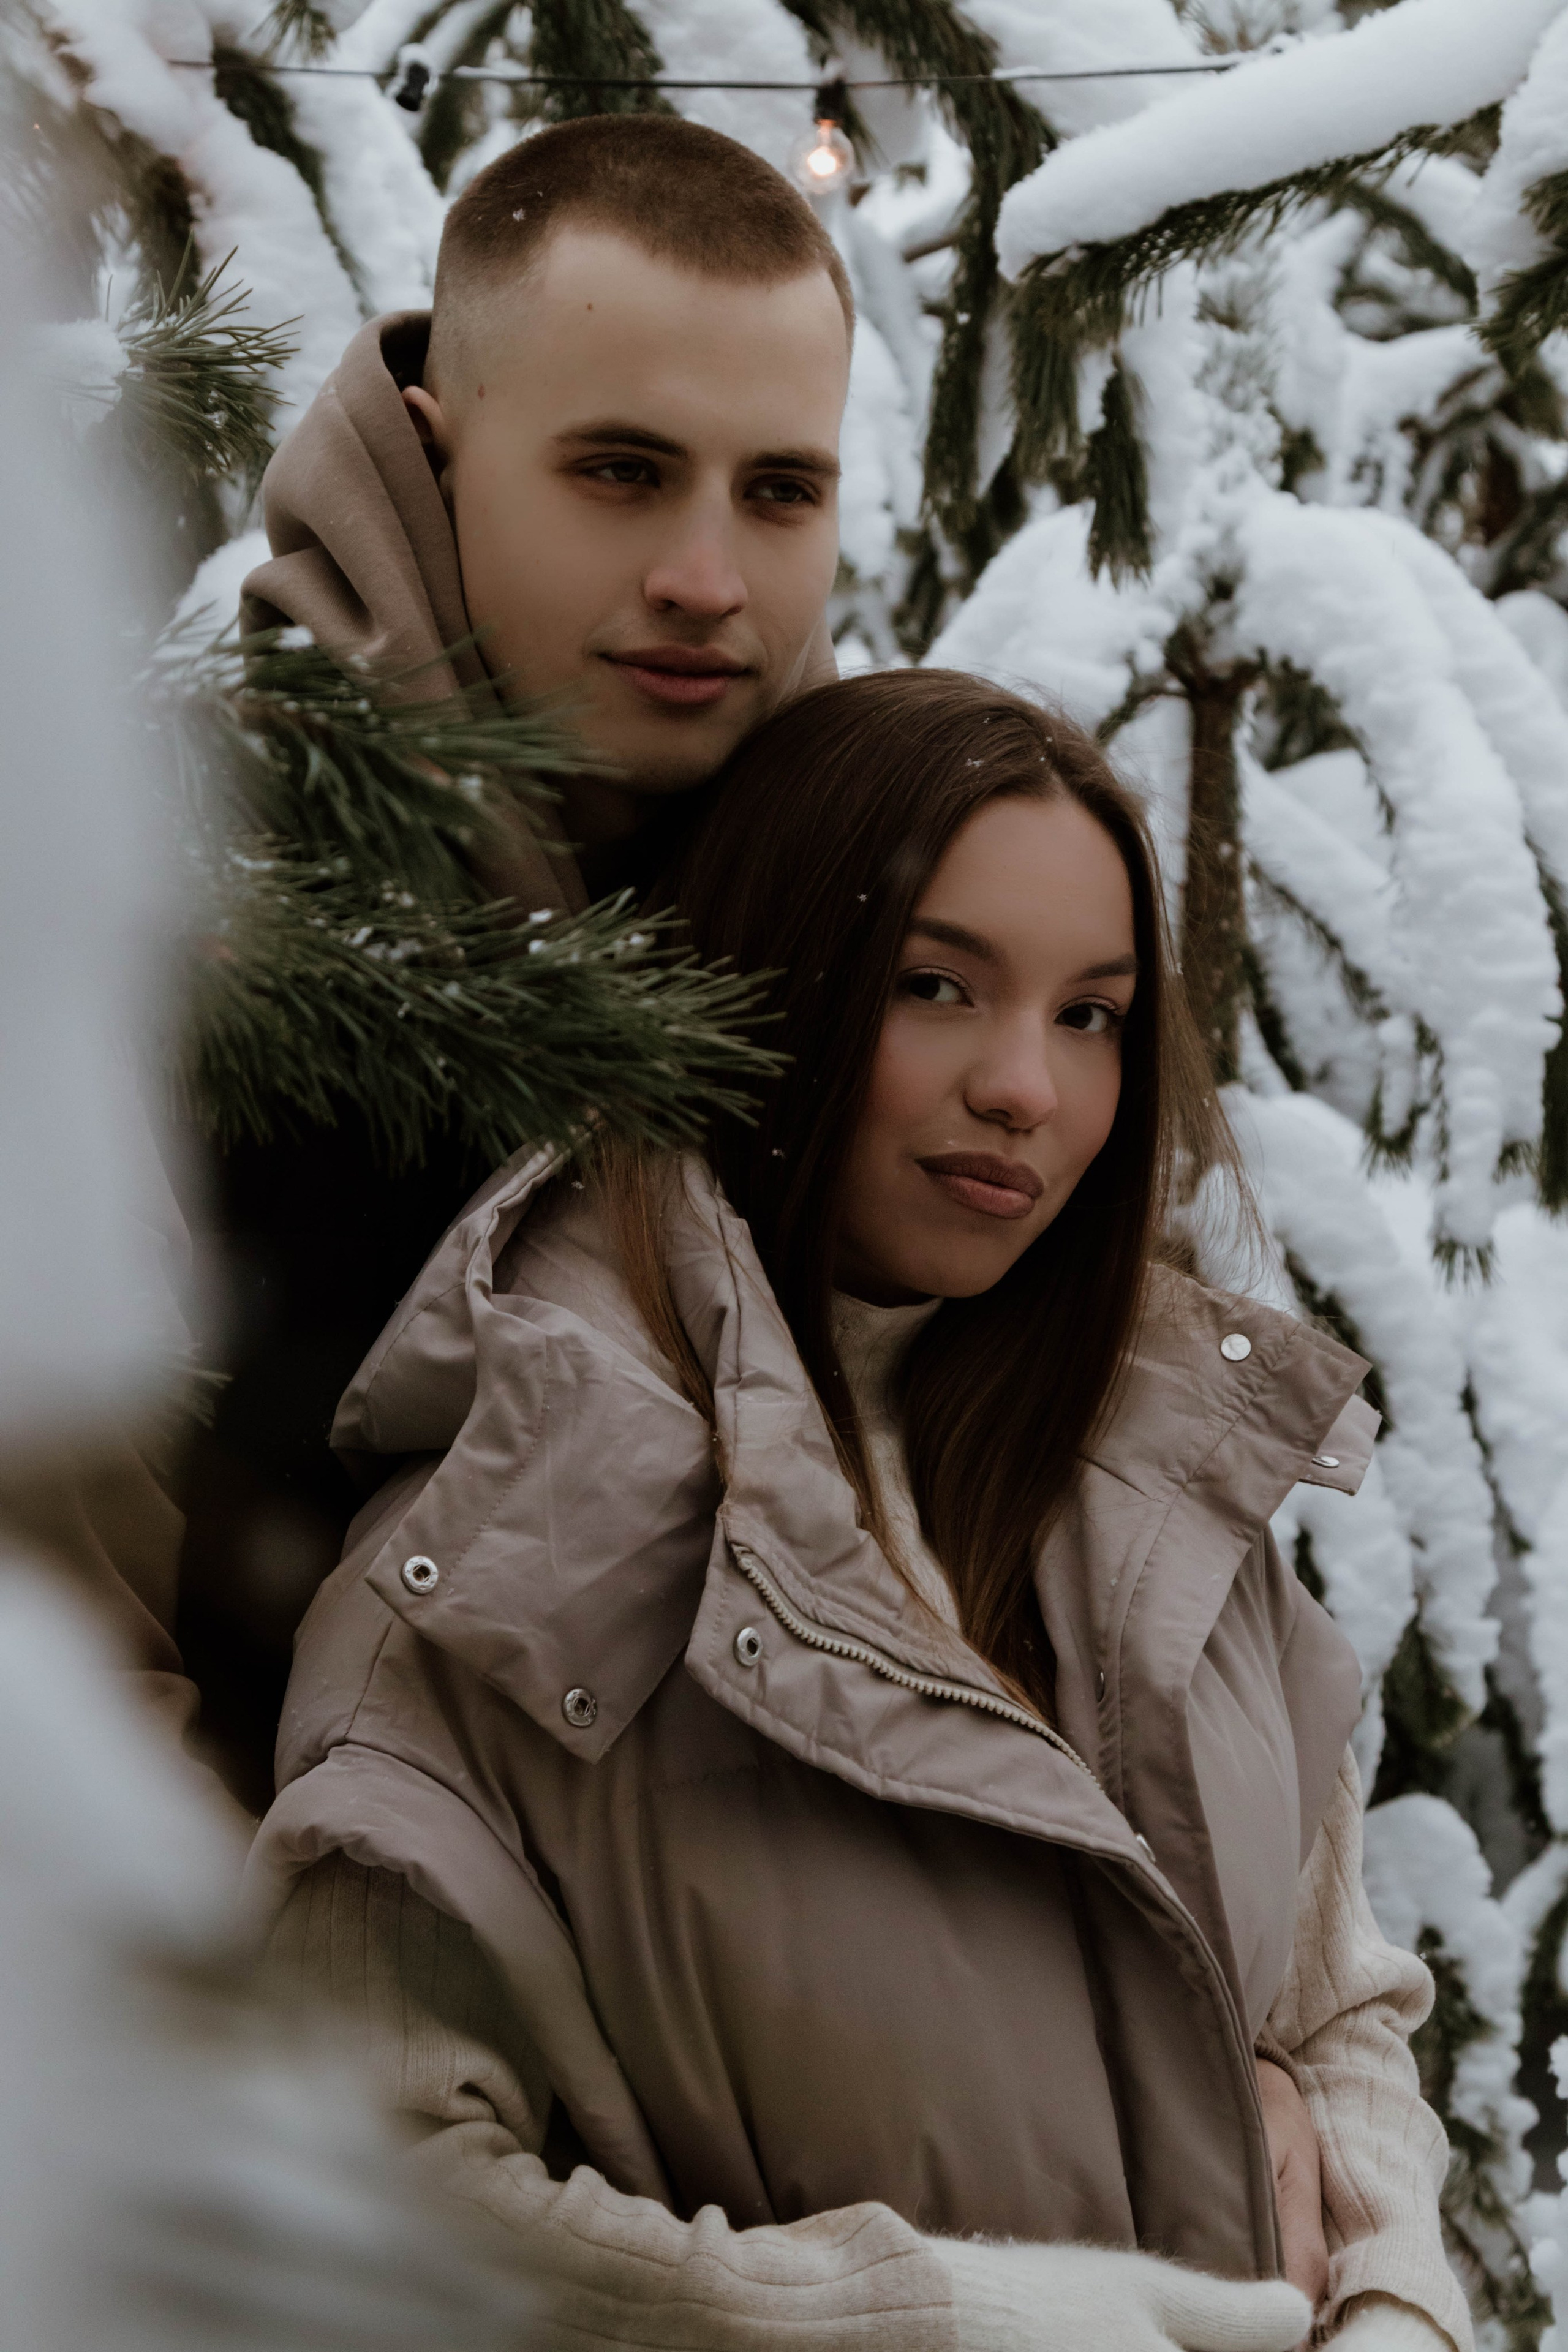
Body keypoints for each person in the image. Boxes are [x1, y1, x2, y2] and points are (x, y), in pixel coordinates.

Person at [251, 670, 1466, 2352]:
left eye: (1091, 1013)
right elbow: (348, 2191)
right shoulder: (504, 1566)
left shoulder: (1161, 1475)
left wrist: (1399, 2305)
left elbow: (1339, 2006)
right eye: (936, 987)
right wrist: (913, 2319)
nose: (1026, 1090)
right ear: (765, 986)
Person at [179, 114, 853, 1804]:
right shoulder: (181, 907)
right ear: (437, 450)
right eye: (622, 471)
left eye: (779, 491)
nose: (708, 581)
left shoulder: (895, 926)